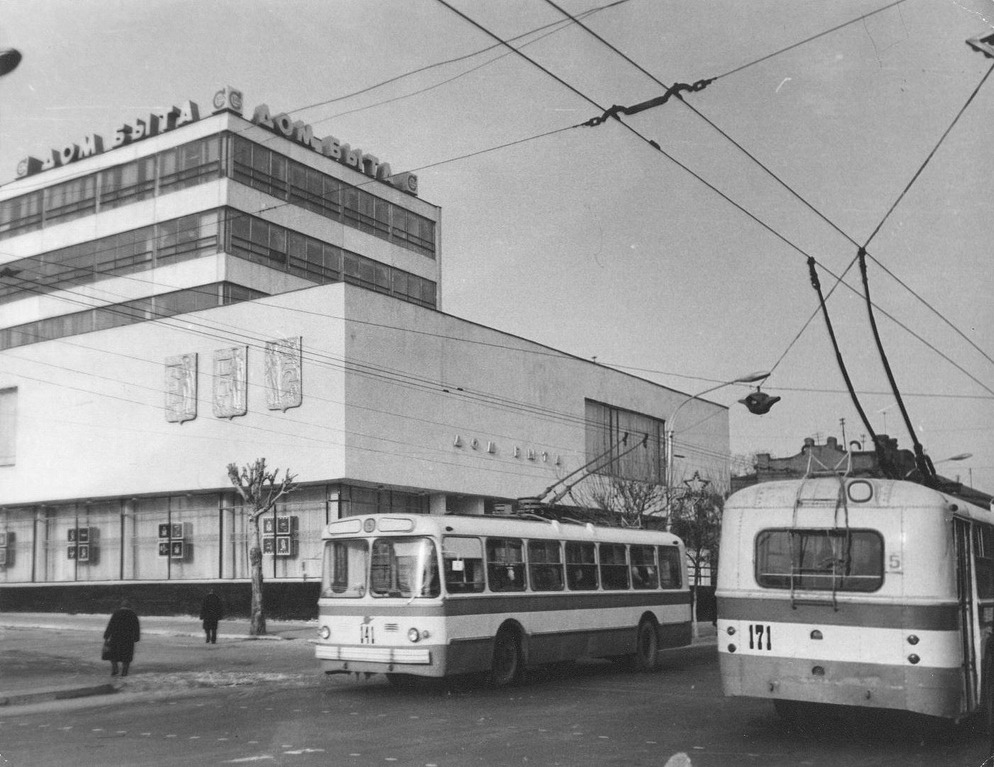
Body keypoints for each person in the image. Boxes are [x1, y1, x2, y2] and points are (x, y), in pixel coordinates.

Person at [103, 600, 140, 677]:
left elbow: (110, 625)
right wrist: (136, 638)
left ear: (121, 606)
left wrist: (106, 636)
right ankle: (124, 672)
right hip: (128, 638)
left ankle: (115, 668)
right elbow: (136, 627)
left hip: (116, 637)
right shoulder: (133, 614)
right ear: (129, 606)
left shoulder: (116, 613)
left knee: (113, 654)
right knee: (126, 657)